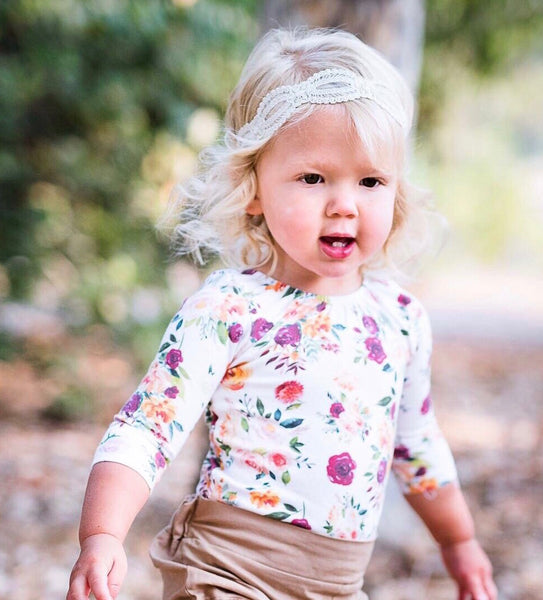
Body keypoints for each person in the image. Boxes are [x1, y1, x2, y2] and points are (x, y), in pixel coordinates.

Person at [66, 27, 497, 600]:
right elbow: (148, 427)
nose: (344, 202)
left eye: (370, 181)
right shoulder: (230, 308)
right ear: (253, 188)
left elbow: (417, 447)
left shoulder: (399, 319)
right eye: (313, 178)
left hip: (339, 585)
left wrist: (459, 542)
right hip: (227, 570)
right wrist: (101, 535)